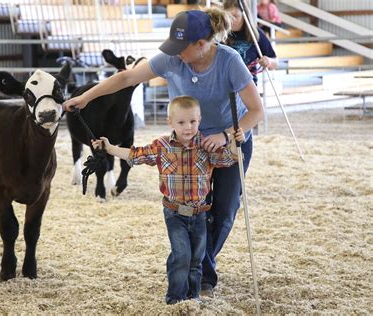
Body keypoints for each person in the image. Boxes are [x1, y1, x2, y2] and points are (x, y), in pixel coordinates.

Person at [64, 8, 264, 298]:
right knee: (195, 210)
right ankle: (202, 274)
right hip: (187, 144)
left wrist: (223, 136)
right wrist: (86, 97)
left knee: (223, 210)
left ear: (202, 44)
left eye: (181, 47)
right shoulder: (172, 59)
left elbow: (256, 111)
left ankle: (199, 262)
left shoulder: (230, 62)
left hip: (229, 142)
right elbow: (126, 78)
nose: (175, 53)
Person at [91, 96, 243, 304]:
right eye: (181, 122)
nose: (188, 127)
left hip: (200, 213)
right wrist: (109, 149)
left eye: (192, 122)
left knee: (196, 260)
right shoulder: (162, 146)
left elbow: (228, 158)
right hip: (174, 213)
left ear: (200, 120)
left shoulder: (206, 147)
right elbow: (136, 154)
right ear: (170, 122)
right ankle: (175, 299)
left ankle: (193, 297)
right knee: (181, 256)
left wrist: (235, 142)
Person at [224, 0, 278, 86]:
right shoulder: (219, 35)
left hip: (249, 87)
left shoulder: (256, 34)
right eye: (228, 16)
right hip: (226, 86)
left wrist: (268, 62)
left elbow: (276, 63)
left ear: (244, 15)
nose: (231, 20)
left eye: (235, 16)